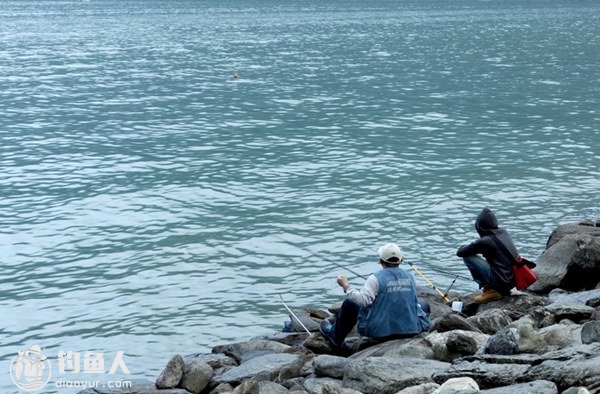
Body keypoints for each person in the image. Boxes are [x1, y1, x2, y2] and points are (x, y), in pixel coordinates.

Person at [319, 243, 432, 348]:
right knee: (424, 304)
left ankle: (335, 336)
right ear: (400, 260)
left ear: (380, 260)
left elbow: (363, 301)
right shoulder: (411, 276)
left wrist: (345, 286)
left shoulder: (375, 278)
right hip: (410, 329)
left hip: (380, 332)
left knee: (349, 304)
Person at [457, 208, 517, 303]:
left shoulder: (486, 241)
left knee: (468, 257)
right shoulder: (503, 232)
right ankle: (501, 290)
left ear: (479, 226)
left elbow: (460, 252)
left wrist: (466, 247)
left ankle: (491, 290)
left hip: (501, 281)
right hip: (512, 280)